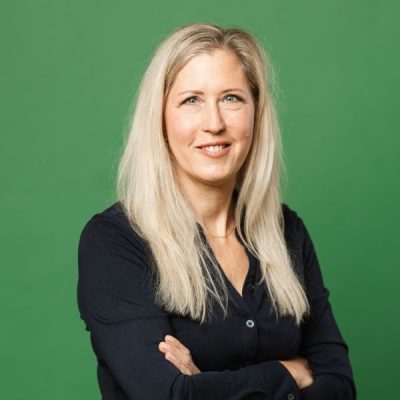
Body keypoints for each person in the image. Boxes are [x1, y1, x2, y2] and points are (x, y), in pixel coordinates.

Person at [77, 23, 356, 399]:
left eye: (231, 98)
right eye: (191, 100)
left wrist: (205, 384)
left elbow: (340, 386)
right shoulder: (116, 241)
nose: (214, 124)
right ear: (160, 118)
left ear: (256, 113)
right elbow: (169, 395)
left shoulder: (287, 231)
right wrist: (288, 372)